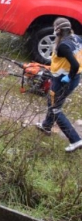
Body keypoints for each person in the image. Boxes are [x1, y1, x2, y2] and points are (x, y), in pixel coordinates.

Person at [35, 18, 82, 152]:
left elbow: (75, 64)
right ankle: (46, 126)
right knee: (53, 101)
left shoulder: (63, 46)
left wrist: (68, 77)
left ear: (59, 29)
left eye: (55, 27)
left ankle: (75, 139)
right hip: (74, 77)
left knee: (55, 108)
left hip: (63, 80)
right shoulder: (77, 38)